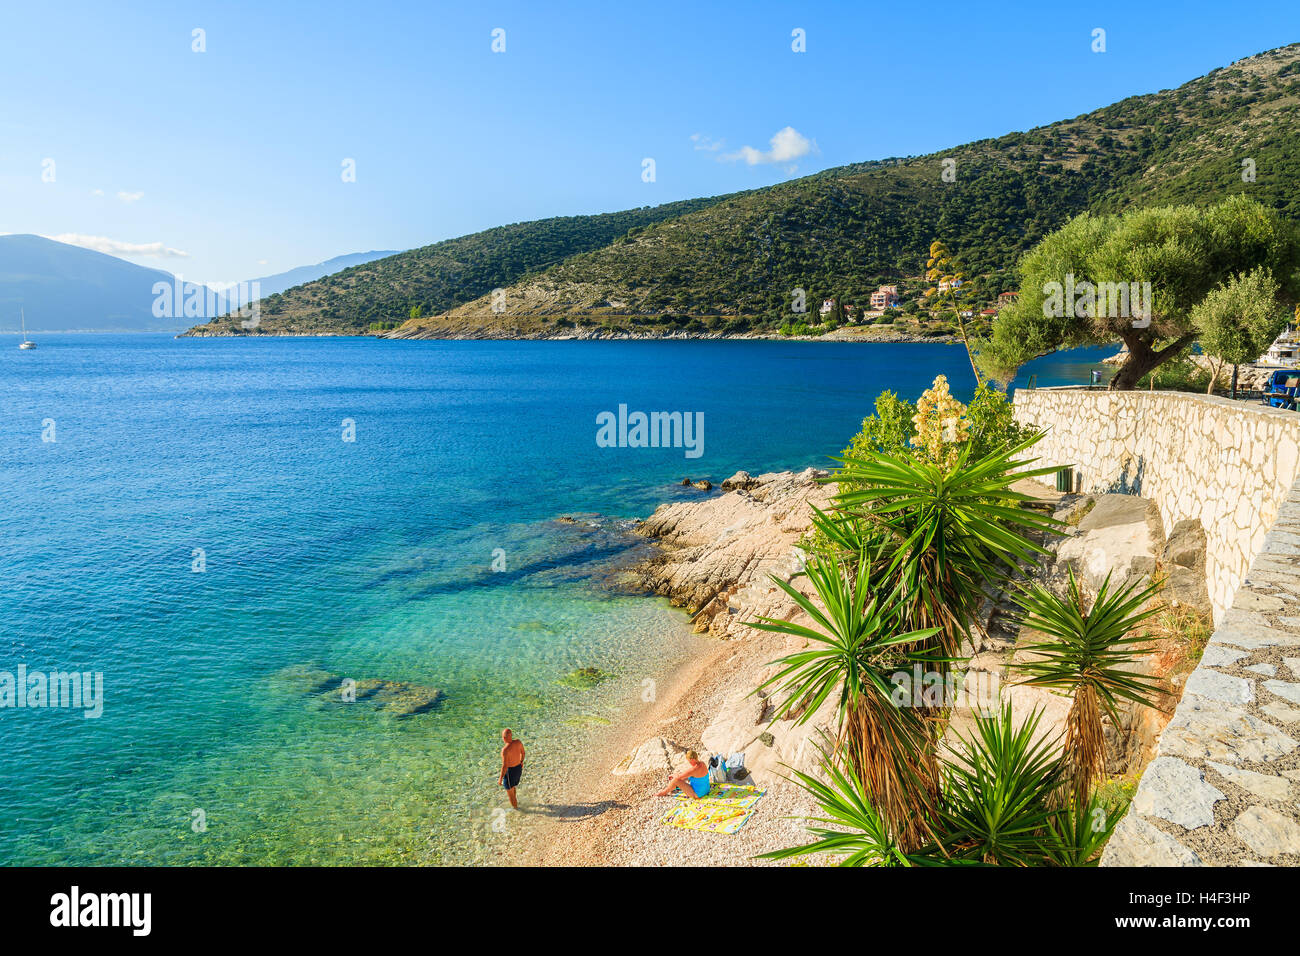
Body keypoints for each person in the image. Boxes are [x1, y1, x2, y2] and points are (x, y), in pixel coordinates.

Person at [498, 728, 525, 809]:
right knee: (512, 787)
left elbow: (505, 766)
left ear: (504, 738)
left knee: (510, 794)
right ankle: (515, 803)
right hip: (518, 769)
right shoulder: (518, 742)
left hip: (510, 772)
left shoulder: (505, 750)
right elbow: (523, 753)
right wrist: (521, 761)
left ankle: (516, 810)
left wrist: (500, 778)